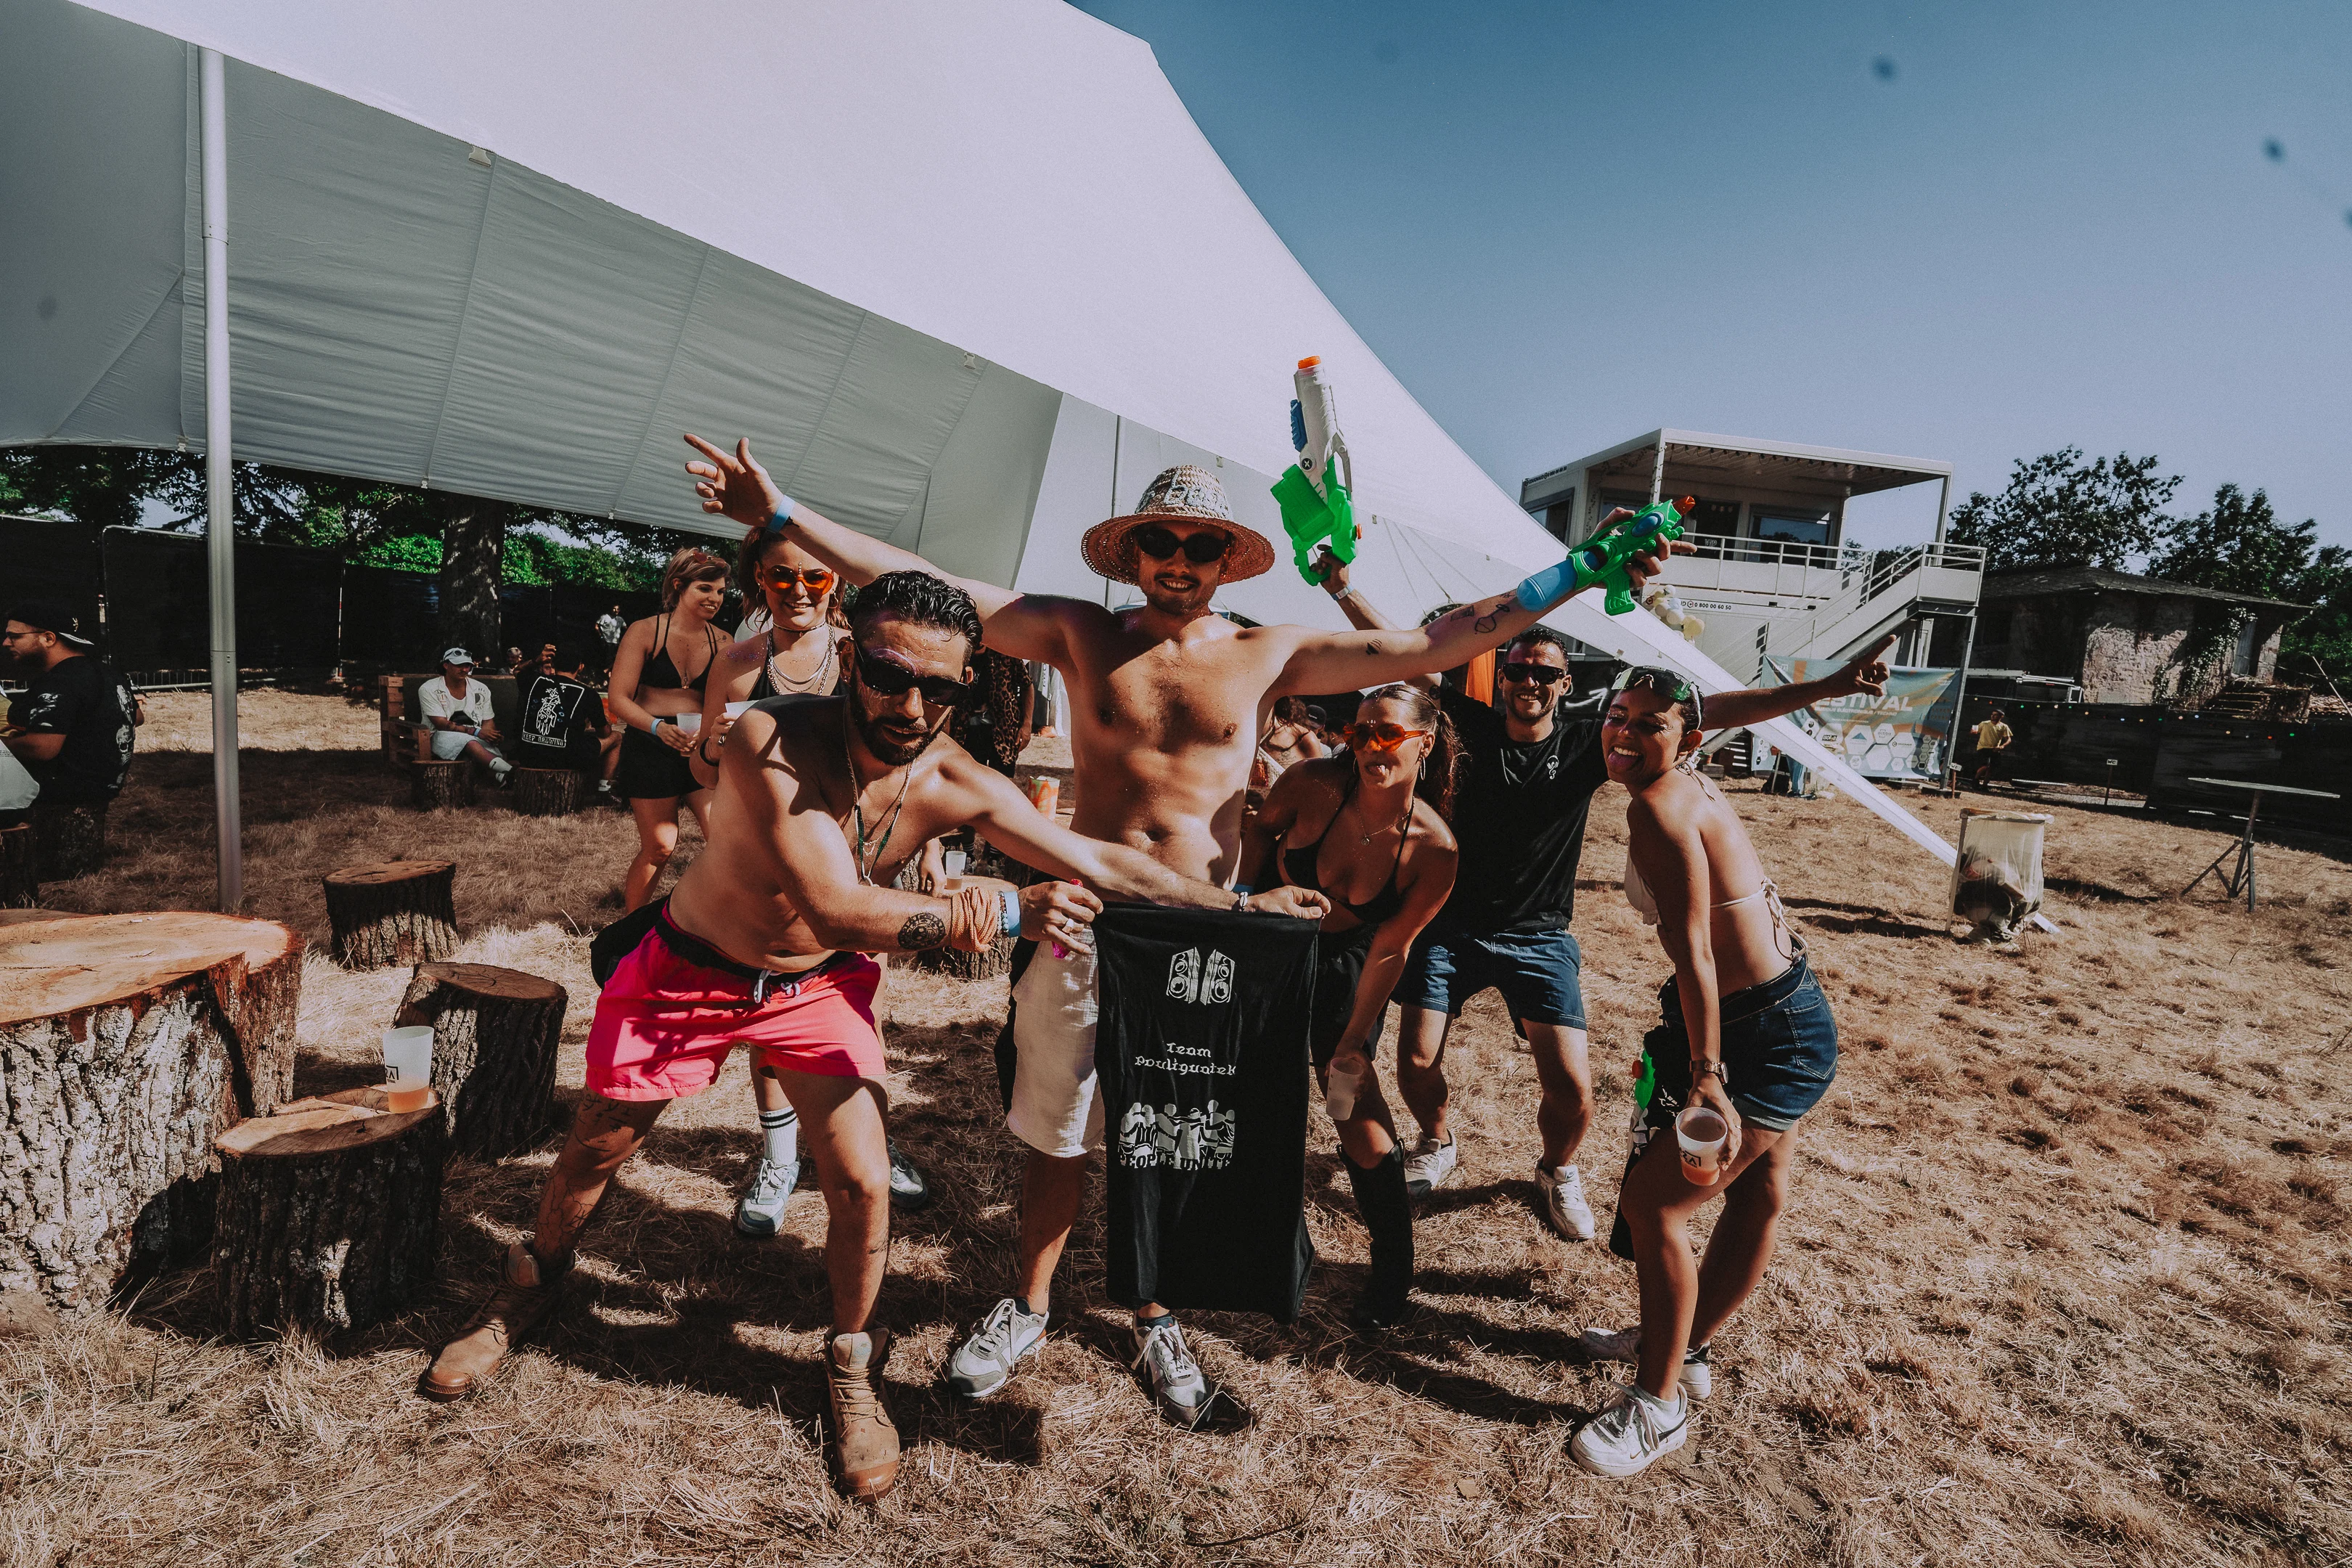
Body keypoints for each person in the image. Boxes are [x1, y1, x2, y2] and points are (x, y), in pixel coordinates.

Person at [683, 433, 1681, 1422]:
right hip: (1084, 917)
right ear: (1132, 552)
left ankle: (1155, 1316)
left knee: (1166, 1137)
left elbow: (1439, 642)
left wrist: (1577, 571)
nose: (1179, 559)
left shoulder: (1267, 653)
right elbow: (922, 586)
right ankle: (1028, 1302)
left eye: (1201, 546)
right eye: (1159, 540)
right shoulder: (1080, 634)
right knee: (1057, 1130)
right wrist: (781, 515)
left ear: (1226, 562)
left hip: (1201, 935)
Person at [419, 571, 1325, 1503]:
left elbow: (1097, 858)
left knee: (861, 1180)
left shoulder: (955, 777)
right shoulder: (771, 736)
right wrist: (1010, 910)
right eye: (890, 676)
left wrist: (1235, 906)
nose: (912, 706)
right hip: (692, 966)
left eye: (940, 688)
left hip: (813, 986)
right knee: (597, 1148)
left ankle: (851, 1362)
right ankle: (527, 1286)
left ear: (967, 687)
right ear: (852, 659)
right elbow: (835, 903)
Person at [1312, 552, 1891, 1238]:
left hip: (1539, 935)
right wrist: (1342, 587)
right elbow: (1408, 654)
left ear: (1565, 684)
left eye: (1544, 673)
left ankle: (1557, 1168)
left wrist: (1828, 686)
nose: (1529, 682)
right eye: (1517, 670)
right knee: (1414, 1060)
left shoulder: (1595, 740)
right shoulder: (1469, 725)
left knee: (1572, 1090)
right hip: (1451, 927)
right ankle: (1437, 1140)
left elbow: (1714, 709)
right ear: (1501, 677)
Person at [1565, 666, 1842, 1479]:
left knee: (1655, 1206)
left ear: (1685, 737)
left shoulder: (1657, 805)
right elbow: (1737, 704)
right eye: (1617, 715)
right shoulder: (1685, 762)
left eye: (1648, 724)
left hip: (1761, 1032)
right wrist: (1828, 685)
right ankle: (1683, 1351)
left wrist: (1707, 1074)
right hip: (1786, 1008)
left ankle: (1658, 1408)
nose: (1624, 733)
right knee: (1758, 1194)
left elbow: (1694, 953)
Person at [1237, 683, 1458, 1327]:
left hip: (1346, 968)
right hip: (1269, 946)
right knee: (1242, 1091)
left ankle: (1393, 1270)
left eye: (1387, 733)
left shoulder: (1434, 847)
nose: (1369, 747)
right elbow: (1260, 831)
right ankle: (1236, 1238)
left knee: (1351, 1107)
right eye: (1360, 732)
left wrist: (1354, 1042)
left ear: (1425, 743)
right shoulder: (1312, 784)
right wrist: (1242, 904)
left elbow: (1392, 948)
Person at [688, 523, 883, 1236]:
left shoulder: (863, 656)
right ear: (759, 583)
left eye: (815, 576)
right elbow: (702, 770)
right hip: (766, 867)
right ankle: (779, 1159)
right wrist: (713, 750)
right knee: (770, 1014)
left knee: (859, 1012)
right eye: (781, 577)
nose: (798, 590)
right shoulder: (740, 662)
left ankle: (868, 1147)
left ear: (837, 582)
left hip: (851, 858)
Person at [609, 550, 730, 910]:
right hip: (650, 744)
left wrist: (711, 737)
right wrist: (657, 728)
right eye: (705, 589)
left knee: (725, 841)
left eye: (721, 592)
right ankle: (633, 925)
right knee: (660, 846)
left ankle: (707, 919)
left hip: (700, 747)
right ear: (679, 586)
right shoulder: (645, 631)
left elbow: (731, 699)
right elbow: (618, 699)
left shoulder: (724, 642)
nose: (715, 599)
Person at [1, 600, 134, 814]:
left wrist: (5, 743)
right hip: (103, 787)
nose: (6, 643)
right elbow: (136, 716)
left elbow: (41, 749)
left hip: (61, 793)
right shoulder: (107, 672)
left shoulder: (61, 680)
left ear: (48, 638)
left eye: (14, 636)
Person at [514, 644, 613, 789]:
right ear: (580, 667)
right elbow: (604, 734)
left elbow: (517, 670)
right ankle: (605, 789)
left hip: (528, 756)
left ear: (553, 664)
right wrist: (606, 722)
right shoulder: (589, 694)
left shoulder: (535, 681)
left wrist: (536, 661)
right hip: (565, 760)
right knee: (617, 738)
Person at [416, 648, 514, 785]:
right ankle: (512, 772)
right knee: (470, 742)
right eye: (459, 665)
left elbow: (488, 720)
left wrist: (491, 734)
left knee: (483, 750)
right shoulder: (429, 689)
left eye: (467, 665)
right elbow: (441, 724)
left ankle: (504, 778)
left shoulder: (480, 688)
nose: (464, 669)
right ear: (446, 665)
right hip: (441, 734)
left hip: (476, 734)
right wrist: (478, 732)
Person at [1972, 707, 2012, 788]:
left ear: (2001, 717)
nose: (1993, 716)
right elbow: (1974, 731)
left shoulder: (2004, 726)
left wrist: (2002, 746)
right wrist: (1973, 731)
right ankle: (1975, 780)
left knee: (1991, 768)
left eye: (1995, 715)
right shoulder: (1984, 723)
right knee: (1985, 766)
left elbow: (2009, 739)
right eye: (1992, 714)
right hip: (1983, 748)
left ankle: (1984, 786)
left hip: (1995, 749)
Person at [595, 604, 626, 677]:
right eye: (614, 609)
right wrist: (601, 636)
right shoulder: (604, 617)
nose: (616, 611)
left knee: (614, 659)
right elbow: (596, 626)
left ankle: (607, 674)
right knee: (605, 659)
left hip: (616, 643)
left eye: (617, 609)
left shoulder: (620, 619)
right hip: (606, 641)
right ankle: (600, 675)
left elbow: (625, 628)